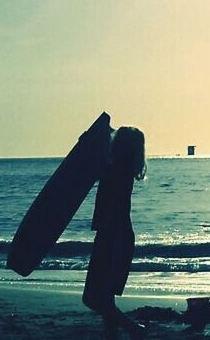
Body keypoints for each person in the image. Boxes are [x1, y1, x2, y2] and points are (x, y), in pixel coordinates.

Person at [83, 126, 147, 339]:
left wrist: (92, 138)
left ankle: (134, 329)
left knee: (94, 299)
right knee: (105, 298)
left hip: (114, 237)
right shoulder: (120, 169)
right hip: (114, 235)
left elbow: (89, 157)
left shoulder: (116, 170)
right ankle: (114, 335)